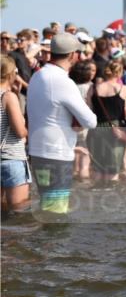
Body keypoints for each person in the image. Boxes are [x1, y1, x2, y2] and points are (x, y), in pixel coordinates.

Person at [26, 33, 98, 215]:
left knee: (46, 206)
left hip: (37, 153)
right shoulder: (63, 81)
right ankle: (50, 243)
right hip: (56, 157)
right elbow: (91, 120)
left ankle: (41, 243)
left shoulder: (38, 75)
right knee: (56, 213)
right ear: (72, 55)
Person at [88, 60, 126, 181]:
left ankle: (96, 197)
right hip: (115, 130)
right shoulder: (124, 89)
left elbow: (88, 110)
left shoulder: (93, 89)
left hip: (96, 129)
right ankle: (111, 198)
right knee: (112, 172)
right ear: (119, 73)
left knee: (97, 169)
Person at [1, 56, 30, 215]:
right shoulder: (8, 96)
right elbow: (19, 131)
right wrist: (28, 129)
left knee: (2, 210)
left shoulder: (10, 95)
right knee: (19, 210)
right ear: (10, 74)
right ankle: (13, 240)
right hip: (11, 158)